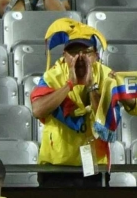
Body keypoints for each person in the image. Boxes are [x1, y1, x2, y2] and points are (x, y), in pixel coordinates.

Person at [31, 21, 137, 187]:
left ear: (96, 55)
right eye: (73, 52)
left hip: (94, 165)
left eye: (86, 52)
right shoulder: (52, 76)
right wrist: (69, 85)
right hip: (55, 166)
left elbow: (103, 120)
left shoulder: (107, 76)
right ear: (64, 55)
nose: (79, 57)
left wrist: (91, 85)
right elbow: (38, 110)